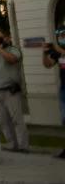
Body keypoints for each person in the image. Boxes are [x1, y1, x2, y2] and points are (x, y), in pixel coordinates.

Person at [0, 28, 28, 153]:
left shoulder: (13, 49)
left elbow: (11, 59)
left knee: (16, 119)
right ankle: (12, 144)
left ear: (8, 38)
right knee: (2, 120)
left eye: (0, 37)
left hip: (10, 90)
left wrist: (0, 49)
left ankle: (23, 146)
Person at [42, 23, 65, 159]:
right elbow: (48, 65)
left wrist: (57, 48)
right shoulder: (59, 53)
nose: (61, 38)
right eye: (60, 36)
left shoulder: (61, 51)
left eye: (63, 35)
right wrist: (44, 53)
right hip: (63, 89)